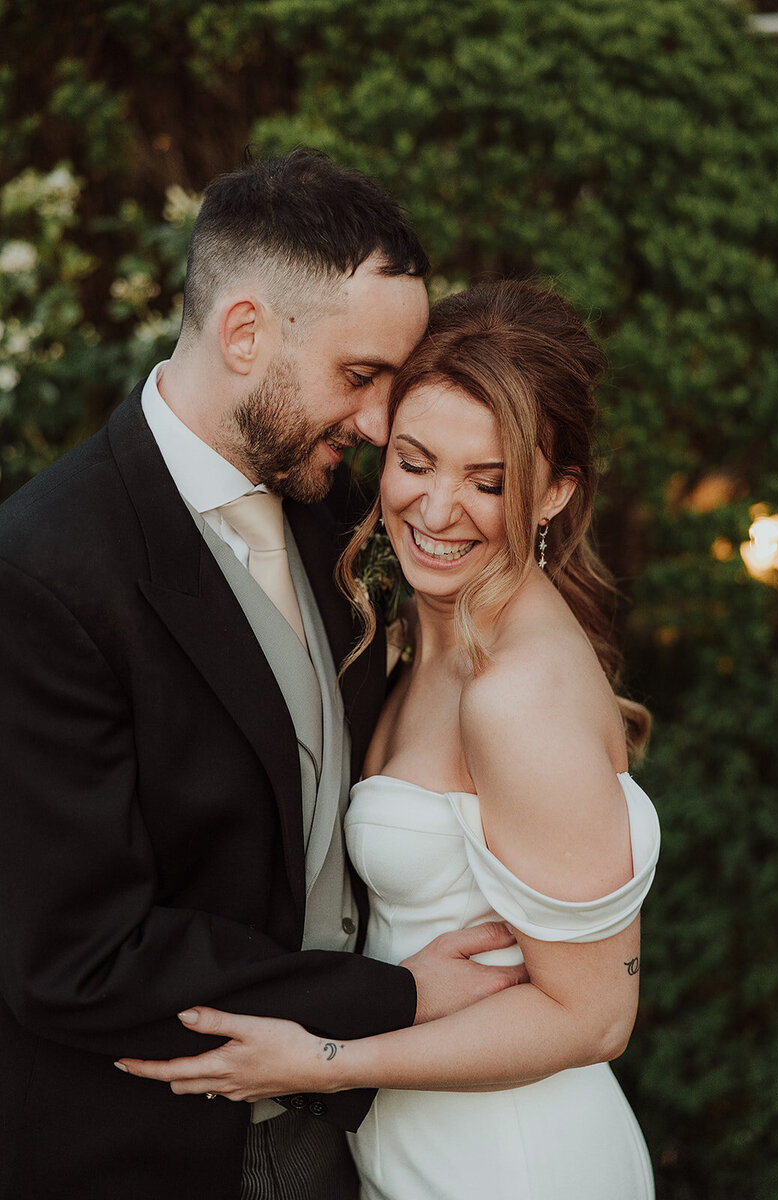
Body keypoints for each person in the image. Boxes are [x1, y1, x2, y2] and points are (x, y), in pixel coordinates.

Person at [0, 154, 529, 1200]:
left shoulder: (331, 517)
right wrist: (389, 1000)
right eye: (360, 376)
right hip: (146, 1155)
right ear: (245, 334)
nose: (381, 428)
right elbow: (78, 954)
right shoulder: (42, 572)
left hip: (349, 1136)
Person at [118, 279, 661, 1199]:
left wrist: (321, 1060)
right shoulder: (415, 632)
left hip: (513, 1164)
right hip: (413, 1147)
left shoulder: (517, 693)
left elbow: (595, 1018)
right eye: (416, 460)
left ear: (554, 494)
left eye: (489, 482)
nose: (438, 509)